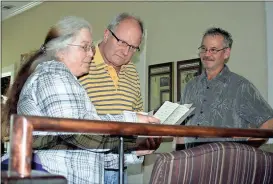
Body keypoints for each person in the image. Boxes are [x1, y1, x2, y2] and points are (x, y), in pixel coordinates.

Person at [1, 16, 160, 184]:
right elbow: (79, 131)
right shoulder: (53, 74)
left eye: (90, 47)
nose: (91, 54)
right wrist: (132, 121)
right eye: (85, 47)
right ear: (60, 50)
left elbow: (87, 151)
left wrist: (133, 151)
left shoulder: (65, 79)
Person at [79, 13, 150, 183]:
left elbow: (137, 115)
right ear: (106, 34)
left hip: (120, 167)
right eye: (122, 42)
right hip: (86, 169)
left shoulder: (132, 71)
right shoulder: (81, 64)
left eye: (133, 47)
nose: (126, 52)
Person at [179, 27, 273, 149]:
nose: (207, 54)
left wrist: (247, 150)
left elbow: (269, 122)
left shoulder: (241, 86)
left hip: (226, 163)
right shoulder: (190, 87)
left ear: (226, 53)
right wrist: (179, 155)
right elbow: (181, 128)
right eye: (204, 49)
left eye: (213, 50)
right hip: (191, 161)